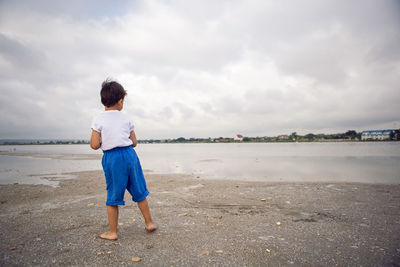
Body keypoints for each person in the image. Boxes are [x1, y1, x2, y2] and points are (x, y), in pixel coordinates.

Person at [90, 79, 156, 240]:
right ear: (120, 101)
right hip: (129, 155)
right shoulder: (126, 119)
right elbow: (134, 142)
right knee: (139, 190)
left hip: (112, 158)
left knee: (113, 194)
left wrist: (103, 140)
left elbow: (94, 144)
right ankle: (149, 223)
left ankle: (113, 232)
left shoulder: (98, 119)